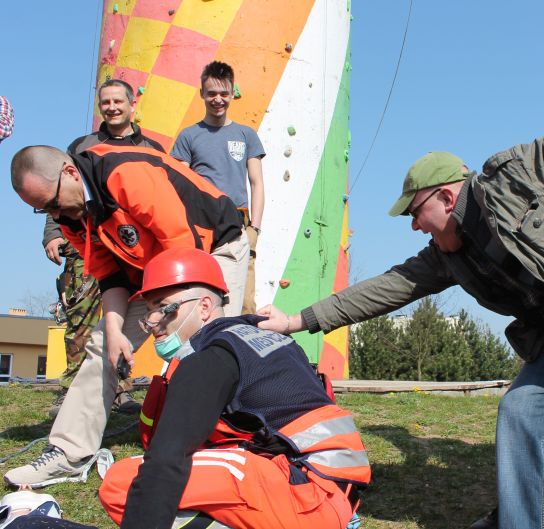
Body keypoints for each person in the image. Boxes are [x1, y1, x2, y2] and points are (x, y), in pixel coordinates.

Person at [256, 18, 544, 529]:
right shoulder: (447, 255)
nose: (414, 226)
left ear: (446, 196)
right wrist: (296, 320)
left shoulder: (526, 176)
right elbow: (382, 290)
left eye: (415, 213)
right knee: (522, 416)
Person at [5, 142, 249, 488]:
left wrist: (163, 311)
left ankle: (224, 441)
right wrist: (116, 333)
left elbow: (186, 253)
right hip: (153, 270)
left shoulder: (126, 174)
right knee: (101, 345)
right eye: (44, 211)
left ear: (70, 173)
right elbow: (111, 277)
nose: (56, 217)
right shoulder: (73, 216)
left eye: (54, 204)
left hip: (212, 248)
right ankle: (69, 453)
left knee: (208, 340)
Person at [97, 247, 370, 529]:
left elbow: (166, 458)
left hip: (310, 498)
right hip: (335, 491)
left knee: (123, 483)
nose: (153, 322)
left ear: (203, 307)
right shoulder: (263, 338)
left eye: (163, 307)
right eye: (149, 310)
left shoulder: (212, 357)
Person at [43, 79, 166, 418]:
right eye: (105, 102)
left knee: (127, 318)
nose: (111, 107)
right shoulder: (83, 145)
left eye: (117, 101)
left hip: (132, 249)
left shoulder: (151, 147)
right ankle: (72, 390)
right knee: (81, 315)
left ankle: (120, 389)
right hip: (87, 242)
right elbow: (60, 192)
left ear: (132, 105)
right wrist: (53, 233)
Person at [171, 61, 265, 315]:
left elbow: (256, 183)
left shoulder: (247, 135)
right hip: (201, 225)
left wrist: (255, 227)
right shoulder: (188, 136)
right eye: (211, 93)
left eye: (224, 93)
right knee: (198, 297)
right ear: (202, 93)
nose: (218, 99)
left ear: (233, 93)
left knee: (243, 303)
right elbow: (179, 184)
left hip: (238, 223)